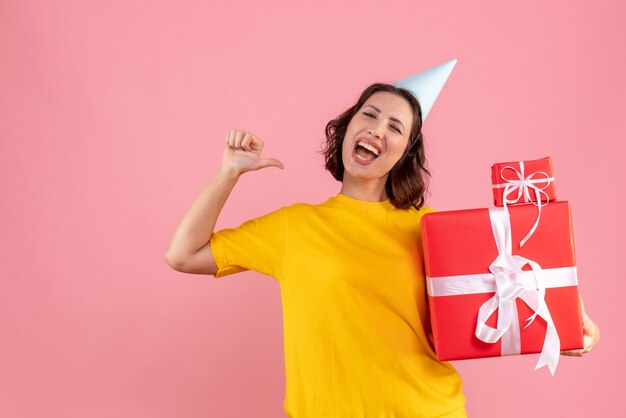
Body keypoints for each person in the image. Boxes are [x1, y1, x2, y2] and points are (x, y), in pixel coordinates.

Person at [164, 83, 599, 417]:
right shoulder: (292, 226)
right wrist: (229, 173)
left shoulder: (433, 229)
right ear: (347, 127)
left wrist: (564, 325)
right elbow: (182, 255)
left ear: (405, 153)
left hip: (426, 409)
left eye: (395, 127)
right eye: (369, 115)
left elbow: (505, 294)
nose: (377, 129)